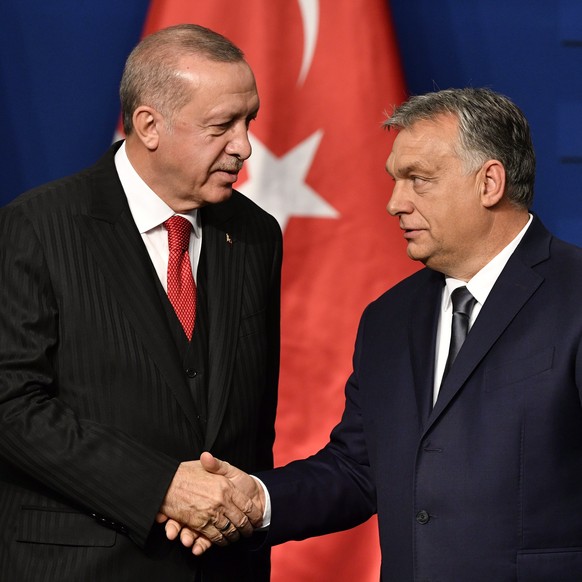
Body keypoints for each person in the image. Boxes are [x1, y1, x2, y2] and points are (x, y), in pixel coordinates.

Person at [173, 87, 582, 581]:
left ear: (489, 182)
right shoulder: (389, 318)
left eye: (418, 180)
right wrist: (254, 500)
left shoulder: (574, 295)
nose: (394, 203)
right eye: (395, 180)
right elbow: (356, 469)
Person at [0, 24, 281, 582]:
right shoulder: (38, 226)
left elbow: (252, 421)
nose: (245, 146)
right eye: (222, 125)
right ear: (149, 125)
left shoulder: (256, 234)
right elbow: (11, 405)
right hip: (78, 564)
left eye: (249, 121)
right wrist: (160, 488)